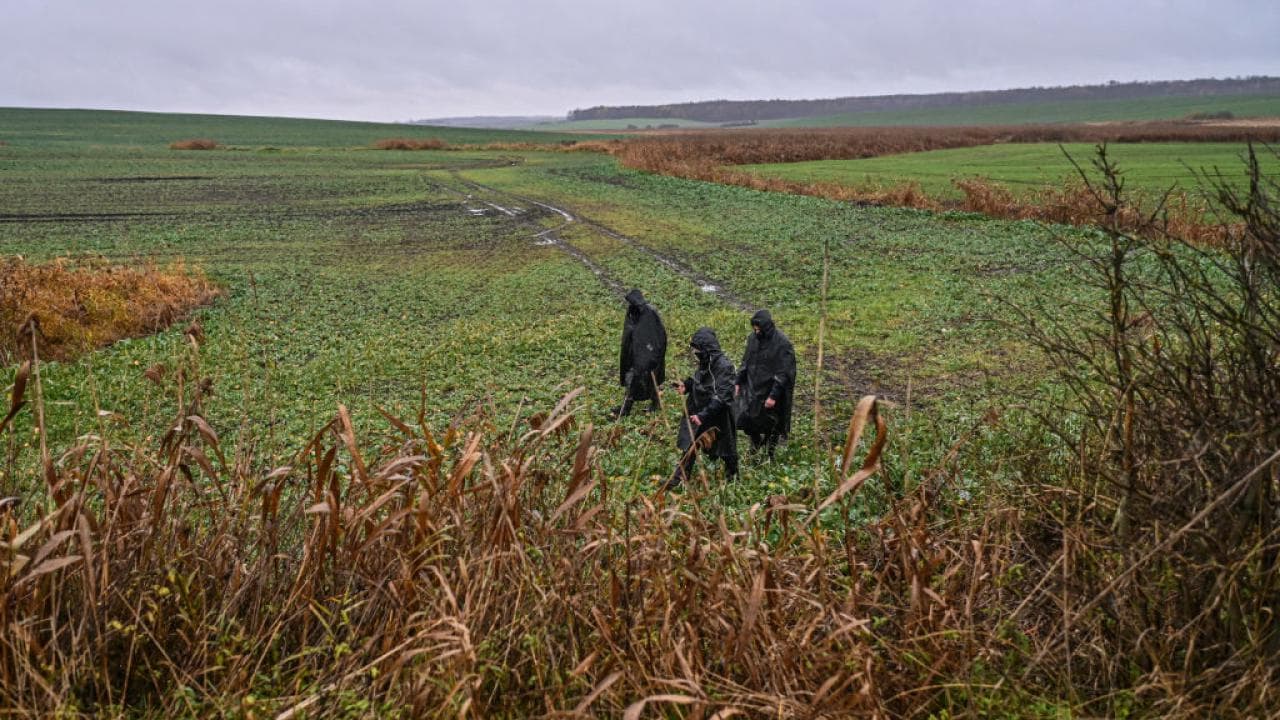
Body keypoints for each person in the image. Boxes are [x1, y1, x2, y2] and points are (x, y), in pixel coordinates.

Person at [667, 327, 738, 489]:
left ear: (706, 348)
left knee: (726, 448)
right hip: (700, 410)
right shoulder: (706, 362)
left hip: (718, 415)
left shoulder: (725, 367)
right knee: (691, 445)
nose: (696, 353)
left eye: (698, 349)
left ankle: (732, 477)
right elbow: (698, 379)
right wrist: (686, 385)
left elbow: (723, 396)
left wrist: (703, 415)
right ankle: (679, 478)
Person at [735, 309, 796, 458]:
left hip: (771, 390)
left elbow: (784, 372)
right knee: (749, 418)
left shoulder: (782, 343)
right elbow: (746, 361)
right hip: (754, 387)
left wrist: (774, 396)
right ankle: (755, 443)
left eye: (758, 329)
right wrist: (738, 381)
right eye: (754, 329)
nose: (756, 332)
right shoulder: (753, 338)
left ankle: (770, 452)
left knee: (772, 422)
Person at [616, 289, 667, 418]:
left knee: (638, 378)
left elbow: (658, 335)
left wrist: (651, 353)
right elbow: (631, 333)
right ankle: (655, 402)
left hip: (649, 353)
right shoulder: (634, 312)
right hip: (636, 353)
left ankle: (626, 408)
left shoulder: (649, 313)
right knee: (639, 378)